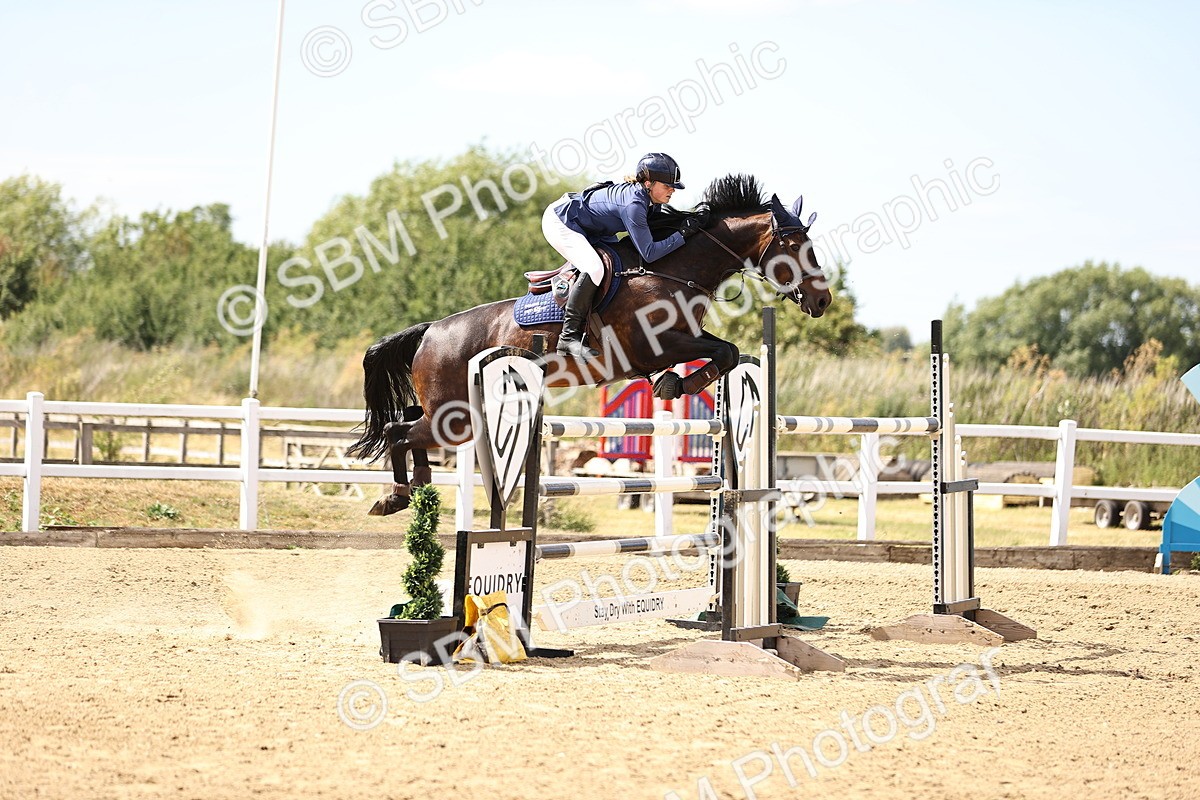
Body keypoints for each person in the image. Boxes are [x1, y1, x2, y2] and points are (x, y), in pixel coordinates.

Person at [541, 152, 704, 358]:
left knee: (619, 265)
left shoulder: (649, 200)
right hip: (562, 221)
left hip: (593, 228)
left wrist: (694, 218)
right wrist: (682, 235)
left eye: (673, 186)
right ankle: (568, 338)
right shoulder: (634, 205)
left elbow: (659, 225)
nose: (672, 190)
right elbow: (650, 253)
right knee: (595, 268)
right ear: (648, 183)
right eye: (666, 186)